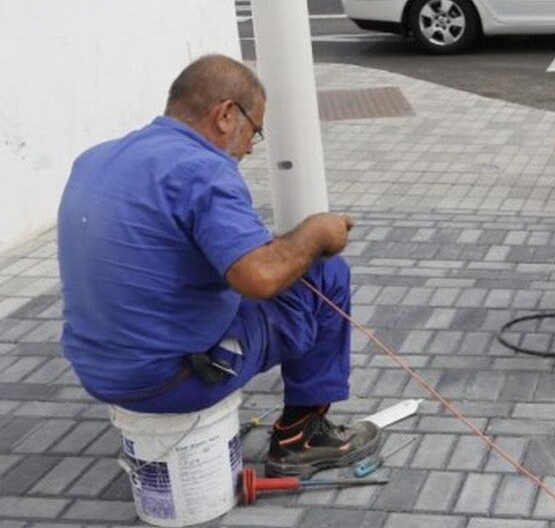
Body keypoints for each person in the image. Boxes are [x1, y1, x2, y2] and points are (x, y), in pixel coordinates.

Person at [57, 55, 381, 478]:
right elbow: (260, 278)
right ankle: (302, 436)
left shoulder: (95, 158)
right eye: (255, 131)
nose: (249, 146)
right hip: (167, 379)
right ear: (226, 115)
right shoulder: (203, 169)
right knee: (325, 274)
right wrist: (318, 233)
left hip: (95, 368)